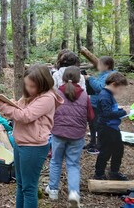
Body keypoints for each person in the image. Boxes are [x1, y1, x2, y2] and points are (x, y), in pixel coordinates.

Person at [0, 64, 64, 208]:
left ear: (43, 84)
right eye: (27, 85)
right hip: (20, 142)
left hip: (33, 147)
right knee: (20, 184)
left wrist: (2, 106)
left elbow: (25, 116)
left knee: (29, 189)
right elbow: (19, 107)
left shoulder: (47, 98)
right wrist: (5, 101)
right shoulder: (31, 95)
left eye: (33, 86)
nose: (29, 89)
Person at [45, 66, 94, 208]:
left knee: (55, 161)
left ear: (63, 77)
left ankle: (53, 190)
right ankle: (74, 194)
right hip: (77, 135)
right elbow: (91, 116)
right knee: (73, 164)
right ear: (80, 78)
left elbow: (49, 111)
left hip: (58, 133)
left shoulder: (57, 93)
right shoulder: (85, 95)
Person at [94, 72, 129, 181]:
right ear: (114, 84)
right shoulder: (104, 96)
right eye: (120, 89)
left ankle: (114, 172)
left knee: (118, 150)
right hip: (106, 128)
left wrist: (120, 109)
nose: (120, 92)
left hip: (113, 128)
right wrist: (123, 112)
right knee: (105, 151)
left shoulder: (109, 95)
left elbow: (111, 110)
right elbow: (107, 114)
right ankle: (99, 174)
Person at [84, 56, 115, 154]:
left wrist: (90, 79)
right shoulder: (103, 74)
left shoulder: (110, 75)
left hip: (100, 105)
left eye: (100, 64)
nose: (98, 66)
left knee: (99, 125)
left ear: (107, 66)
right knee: (92, 124)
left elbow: (100, 88)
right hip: (94, 103)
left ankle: (99, 145)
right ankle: (93, 142)